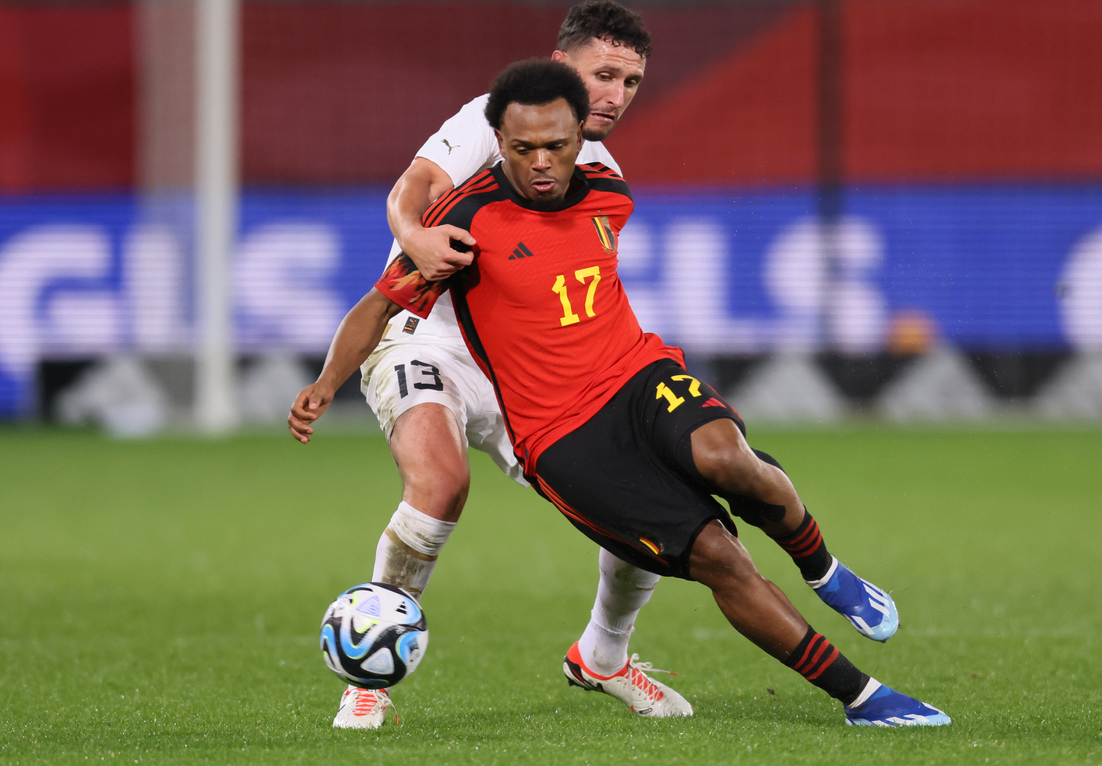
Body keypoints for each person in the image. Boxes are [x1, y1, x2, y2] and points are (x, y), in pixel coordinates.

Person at [292, 59, 950, 728]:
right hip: (563, 435)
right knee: (721, 556)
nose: (542, 163)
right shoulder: (462, 223)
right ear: (499, 142)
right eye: (522, 150)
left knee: (730, 460)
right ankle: (862, 697)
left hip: (637, 374)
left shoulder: (610, 190)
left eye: (557, 146)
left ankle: (826, 572)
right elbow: (376, 307)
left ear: (582, 136)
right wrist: (325, 384)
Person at [304, 0, 695, 729]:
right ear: (561, 65)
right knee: (440, 482)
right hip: (425, 336)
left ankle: (604, 654)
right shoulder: (493, 117)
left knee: (645, 503)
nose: (614, 95)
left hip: (522, 366)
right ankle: (368, 672)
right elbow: (413, 188)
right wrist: (412, 237)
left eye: (630, 82)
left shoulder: (600, 167)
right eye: (601, 74)